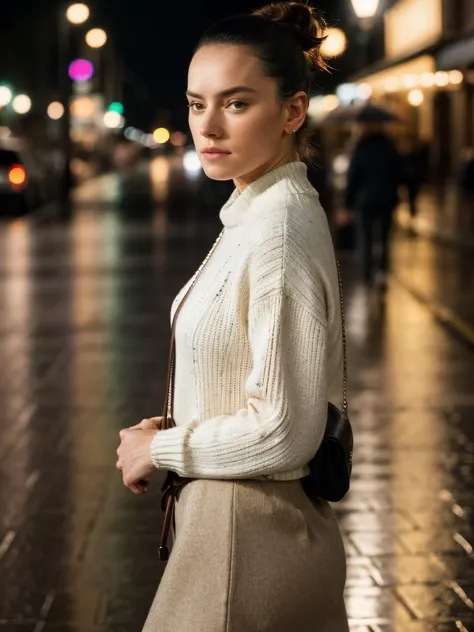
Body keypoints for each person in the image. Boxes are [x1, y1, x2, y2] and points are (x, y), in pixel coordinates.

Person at [116, 3, 349, 631]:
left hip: (244, 542)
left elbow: (284, 431)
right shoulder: (255, 211)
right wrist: (187, 415)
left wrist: (160, 449)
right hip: (238, 532)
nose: (208, 126)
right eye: (197, 104)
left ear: (293, 111)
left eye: (237, 103)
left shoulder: (278, 230)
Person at [345, 122, 403, 289]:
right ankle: (383, 272)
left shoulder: (361, 146)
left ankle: (368, 272)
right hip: (386, 199)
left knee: (367, 236)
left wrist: (349, 200)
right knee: (384, 238)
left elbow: (353, 175)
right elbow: (398, 171)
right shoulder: (390, 145)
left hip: (366, 200)